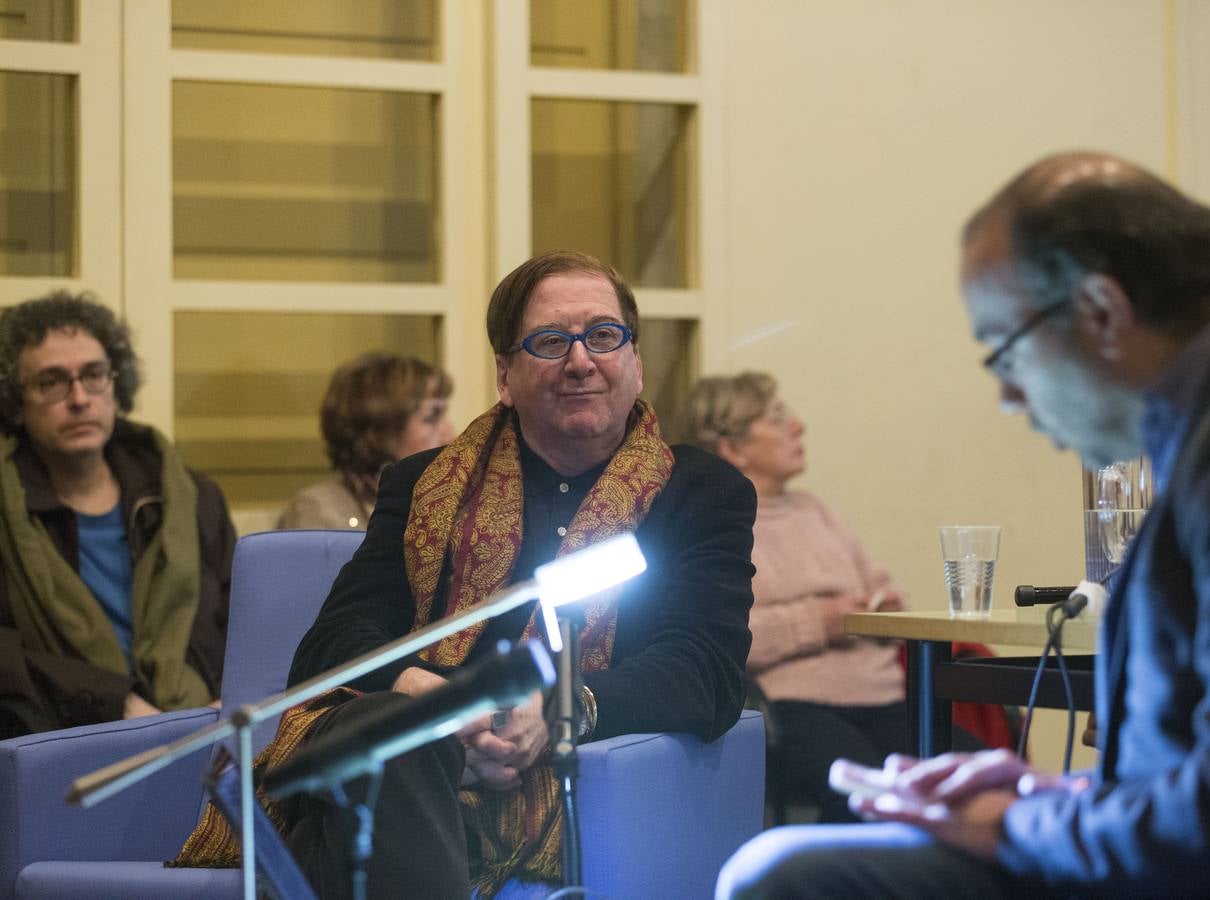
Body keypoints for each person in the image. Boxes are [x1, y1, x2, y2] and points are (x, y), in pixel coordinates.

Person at [718, 152, 1210, 898]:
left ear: (1103, 313)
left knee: (786, 878)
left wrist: (1017, 825)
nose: (1010, 398)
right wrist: (1050, 794)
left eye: (1005, 350)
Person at [176, 251, 757, 897]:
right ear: (505, 375)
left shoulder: (699, 491)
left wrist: (555, 710)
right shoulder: (422, 483)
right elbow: (332, 645)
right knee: (387, 736)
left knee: (351, 807)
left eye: (602, 335)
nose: (581, 360)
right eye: (550, 341)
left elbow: (704, 667)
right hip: (413, 734)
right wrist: (436, 705)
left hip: (557, 763)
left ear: (635, 359)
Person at [677, 371, 917, 822]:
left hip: (885, 699)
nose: (798, 426)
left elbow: (883, 587)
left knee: (977, 778)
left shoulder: (815, 509)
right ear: (732, 447)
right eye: (777, 418)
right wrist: (823, 622)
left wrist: (885, 608)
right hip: (797, 710)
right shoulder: (719, 526)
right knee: (875, 801)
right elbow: (724, 637)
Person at [0, 291, 236, 739]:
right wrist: (116, 702)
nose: (79, 398)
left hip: (209, 737)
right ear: (15, 401)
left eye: (93, 375)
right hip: (64, 752)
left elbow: (241, 619)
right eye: (51, 382)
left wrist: (233, 696)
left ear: (116, 383)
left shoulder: (191, 497)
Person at [276, 353, 455, 530]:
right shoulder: (318, 511)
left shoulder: (437, 505)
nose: (451, 435)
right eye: (432, 417)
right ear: (382, 429)